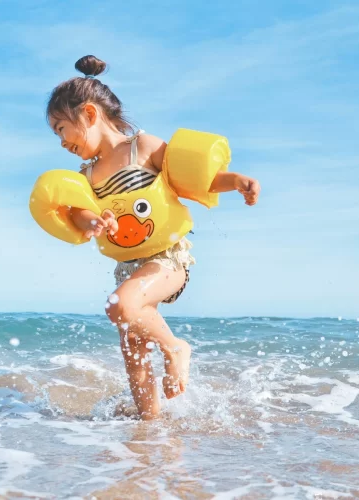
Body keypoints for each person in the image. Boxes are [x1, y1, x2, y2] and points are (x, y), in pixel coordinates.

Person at [45, 55, 260, 419]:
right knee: (133, 350)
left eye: (61, 129)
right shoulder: (87, 175)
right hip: (128, 267)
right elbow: (80, 212)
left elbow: (195, 179)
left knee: (119, 306)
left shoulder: (142, 148)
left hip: (168, 259)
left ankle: (176, 348)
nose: (61, 142)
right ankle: (149, 428)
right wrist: (94, 221)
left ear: (89, 114)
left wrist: (236, 180)